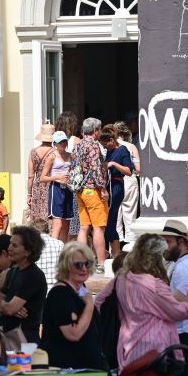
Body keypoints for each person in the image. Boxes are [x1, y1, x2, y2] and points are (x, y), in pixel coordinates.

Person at [95, 233, 188, 371]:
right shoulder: (154, 285)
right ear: (157, 256)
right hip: (155, 351)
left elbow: (98, 302)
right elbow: (178, 313)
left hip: (127, 347)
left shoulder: (121, 279)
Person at [40, 241, 107, 370]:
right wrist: (89, 305)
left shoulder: (81, 290)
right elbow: (73, 334)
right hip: (69, 371)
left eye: (87, 264)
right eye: (78, 265)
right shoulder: (60, 294)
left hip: (86, 369)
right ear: (66, 266)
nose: (84, 269)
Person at [162, 219, 188, 376]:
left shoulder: (182, 267)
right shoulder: (186, 263)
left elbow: (186, 304)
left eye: (168, 242)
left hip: (185, 333)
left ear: (181, 242)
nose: (164, 247)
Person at [0, 226, 48, 344]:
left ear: (28, 251)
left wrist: (7, 307)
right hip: (10, 337)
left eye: (14, 245)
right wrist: (6, 305)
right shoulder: (13, 271)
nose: (9, 248)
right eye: (10, 244)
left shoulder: (33, 275)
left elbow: (9, 308)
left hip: (25, 340)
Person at [75, 117, 109, 273]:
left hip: (80, 190)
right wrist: (102, 188)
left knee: (83, 228)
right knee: (98, 228)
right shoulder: (94, 145)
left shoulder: (79, 144)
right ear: (95, 131)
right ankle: (101, 263)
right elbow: (95, 169)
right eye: (99, 129)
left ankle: (81, 262)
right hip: (92, 190)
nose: (100, 132)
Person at [101, 131, 133, 258]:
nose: (105, 147)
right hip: (107, 186)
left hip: (117, 185)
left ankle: (115, 254)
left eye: (106, 144)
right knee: (108, 221)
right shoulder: (107, 151)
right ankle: (113, 254)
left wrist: (113, 164)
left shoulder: (123, 150)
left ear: (112, 140)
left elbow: (129, 171)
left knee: (111, 219)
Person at [40, 130, 73, 242]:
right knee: (57, 225)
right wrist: (57, 177)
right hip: (56, 190)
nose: (63, 144)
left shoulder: (71, 155)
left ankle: (63, 252)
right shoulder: (52, 157)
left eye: (64, 141)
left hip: (68, 189)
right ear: (54, 144)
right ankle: (54, 249)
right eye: (60, 142)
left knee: (66, 225)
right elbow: (42, 178)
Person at [113, 122, 140, 244]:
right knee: (130, 215)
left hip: (115, 181)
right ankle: (130, 245)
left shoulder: (112, 146)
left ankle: (116, 247)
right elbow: (138, 169)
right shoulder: (131, 147)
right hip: (130, 180)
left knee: (115, 215)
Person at [27, 122, 54, 224]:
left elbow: (30, 176)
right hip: (51, 185)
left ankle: (38, 237)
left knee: (37, 218)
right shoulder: (55, 152)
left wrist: (29, 194)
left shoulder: (33, 152)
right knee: (50, 215)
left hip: (37, 186)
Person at [32, 217, 63, 289]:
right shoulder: (59, 244)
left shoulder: (31, 246)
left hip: (38, 290)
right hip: (57, 288)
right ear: (48, 230)